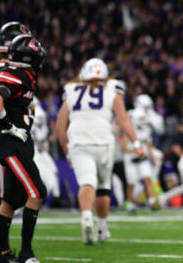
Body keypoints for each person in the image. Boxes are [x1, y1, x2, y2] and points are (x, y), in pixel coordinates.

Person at [55, 58, 143, 245]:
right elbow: (123, 118)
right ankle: (102, 228)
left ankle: (86, 216)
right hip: (103, 140)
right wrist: (136, 143)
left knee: (87, 182)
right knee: (103, 185)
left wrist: (67, 152)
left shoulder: (71, 88)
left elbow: (60, 128)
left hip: (78, 140)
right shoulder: (112, 86)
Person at [0, 34, 47, 263]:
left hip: (18, 142)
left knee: (11, 199)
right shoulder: (17, 73)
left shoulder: (24, 74)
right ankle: (26, 253)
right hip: (13, 143)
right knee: (38, 191)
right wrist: (9, 126)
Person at [120, 107, 158, 212]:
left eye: (142, 118)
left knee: (147, 178)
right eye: (140, 118)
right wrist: (134, 151)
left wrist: (153, 158)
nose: (142, 121)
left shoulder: (146, 129)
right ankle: (130, 204)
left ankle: (151, 201)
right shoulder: (129, 129)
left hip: (142, 158)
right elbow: (123, 146)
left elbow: (148, 144)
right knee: (131, 183)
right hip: (130, 159)